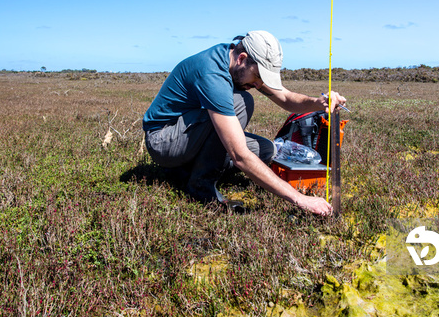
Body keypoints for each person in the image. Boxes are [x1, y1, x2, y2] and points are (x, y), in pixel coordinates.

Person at [142, 30, 347, 216]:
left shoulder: (238, 64)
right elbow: (239, 156)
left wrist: (318, 103)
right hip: (163, 141)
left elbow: (284, 97)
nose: (258, 85)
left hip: (187, 135)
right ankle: (201, 186)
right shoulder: (213, 74)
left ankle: (185, 171)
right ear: (242, 58)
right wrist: (300, 199)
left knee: (266, 150)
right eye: (258, 76)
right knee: (242, 101)